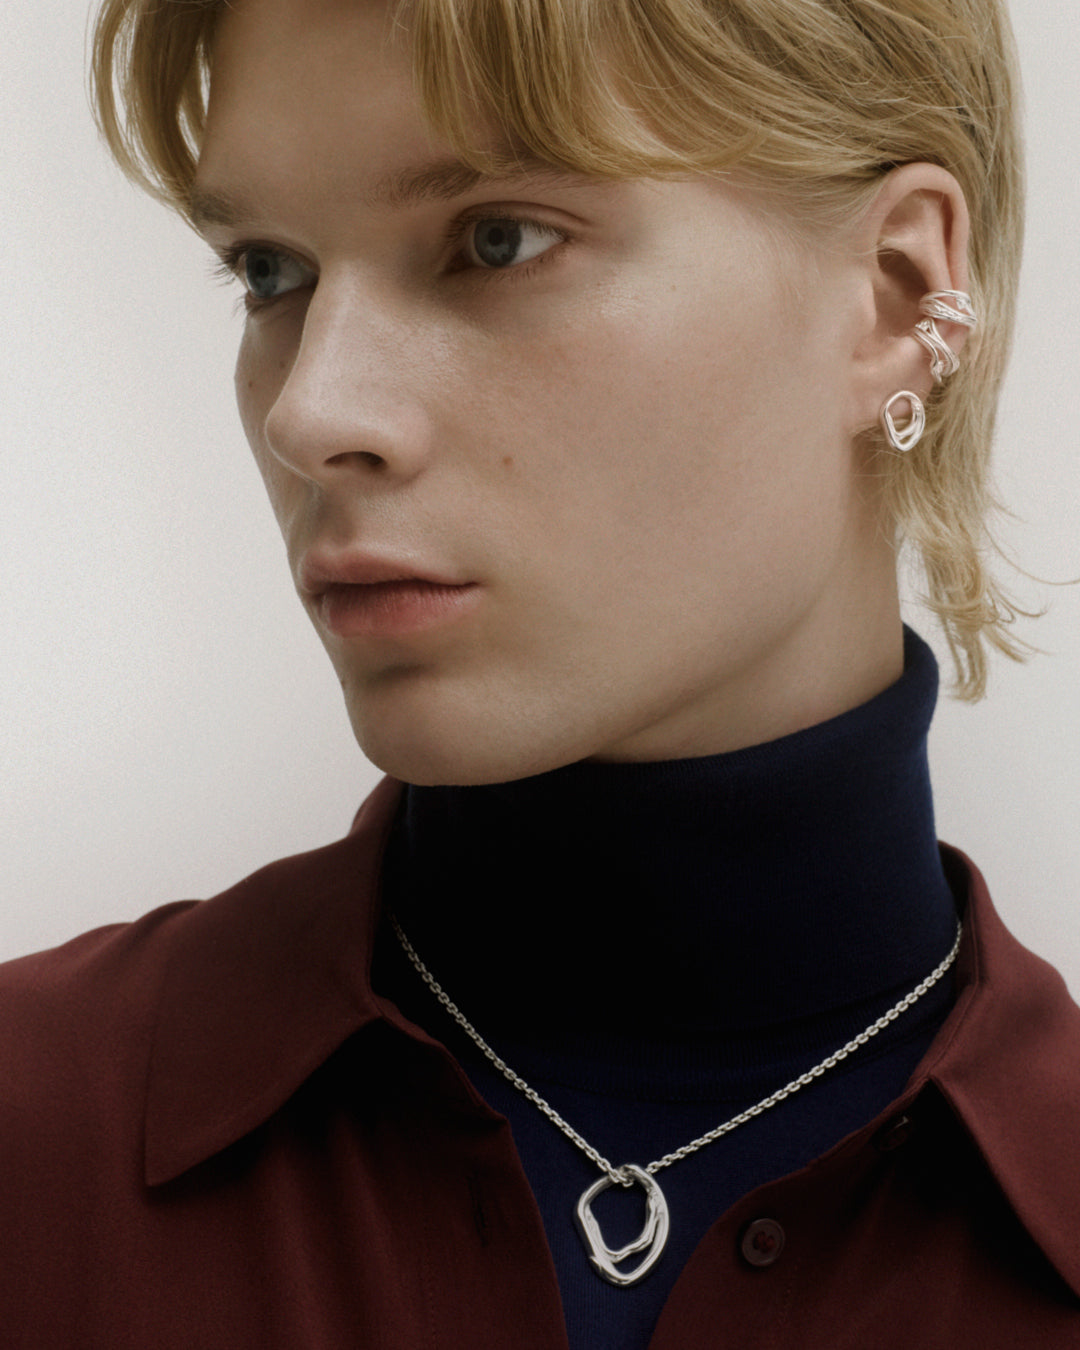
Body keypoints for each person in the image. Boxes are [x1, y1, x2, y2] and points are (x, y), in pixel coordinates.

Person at [2, 0, 1078, 1345]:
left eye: (496, 241)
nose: (310, 411)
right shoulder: (33, 1141)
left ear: (899, 298)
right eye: (271, 271)